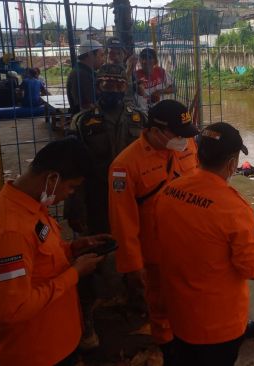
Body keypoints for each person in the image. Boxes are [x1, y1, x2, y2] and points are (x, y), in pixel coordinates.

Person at [0, 139, 112, 366]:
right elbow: (13, 309)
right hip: (38, 352)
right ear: (52, 178)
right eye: (71, 187)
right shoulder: (10, 232)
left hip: (57, 338)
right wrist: (74, 274)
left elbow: (39, 257)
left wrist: (73, 248)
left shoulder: (28, 205)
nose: (70, 194)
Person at [154, 122, 254, 366]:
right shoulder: (234, 209)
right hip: (218, 326)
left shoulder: (170, 191)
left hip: (177, 310)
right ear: (232, 162)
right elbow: (253, 269)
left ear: (197, 153)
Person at [108, 99, 199, 358]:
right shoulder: (125, 166)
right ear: (155, 131)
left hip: (193, 241)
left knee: (195, 292)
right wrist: (132, 265)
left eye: (186, 134)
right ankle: (166, 343)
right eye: (178, 134)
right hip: (156, 250)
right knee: (160, 302)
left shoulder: (187, 144)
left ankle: (195, 331)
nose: (184, 140)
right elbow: (123, 221)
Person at [65, 63, 146, 349]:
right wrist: (75, 207)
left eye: (118, 84)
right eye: (106, 84)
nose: (112, 89)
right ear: (97, 86)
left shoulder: (140, 118)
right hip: (97, 199)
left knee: (135, 251)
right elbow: (72, 169)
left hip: (133, 202)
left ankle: (135, 300)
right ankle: (87, 318)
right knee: (93, 256)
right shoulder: (82, 122)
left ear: (126, 86)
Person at [66, 39, 105, 115]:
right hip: (88, 123)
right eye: (101, 55)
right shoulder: (81, 75)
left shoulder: (84, 71)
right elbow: (88, 105)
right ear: (90, 54)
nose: (103, 59)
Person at [136, 48, 174, 112]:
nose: (145, 61)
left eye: (149, 58)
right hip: (142, 112)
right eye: (143, 58)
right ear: (140, 61)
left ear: (155, 61)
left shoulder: (161, 71)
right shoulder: (135, 75)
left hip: (160, 110)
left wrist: (160, 91)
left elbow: (174, 88)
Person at [106, 37, 138, 106]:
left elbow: (137, 89)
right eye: (112, 53)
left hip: (130, 108)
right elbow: (117, 90)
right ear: (107, 54)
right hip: (113, 109)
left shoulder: (127, 68)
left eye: (119, 53)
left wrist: (139, 85)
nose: (116, 57)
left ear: (125, 54)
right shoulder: (103, 70)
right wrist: (129, 69)